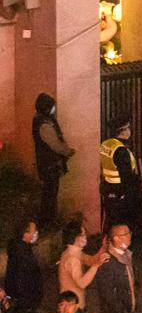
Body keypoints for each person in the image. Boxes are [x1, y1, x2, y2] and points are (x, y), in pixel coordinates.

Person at [0, 219, 42, 313]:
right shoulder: (22, 254)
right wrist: (27, 303)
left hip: (23, 304)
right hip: (25, 305)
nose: (36, 233)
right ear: (25, 234)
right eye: (34, 230)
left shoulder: (21, 249)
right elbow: (21, 280)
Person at [98, 223, 138, 313]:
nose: (129, 236)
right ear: (115, 238)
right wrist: (122, 312)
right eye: (125, 234)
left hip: (128, 310)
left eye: (129, 232)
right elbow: (107, 294)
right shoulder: (107, 262)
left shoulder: (127, 254)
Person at [33, 94, 74, 226]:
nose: (54, 109)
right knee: (50, 194)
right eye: (51, 106)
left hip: (47, 164)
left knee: (49, 192)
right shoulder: (45, 124)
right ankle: (48, 221)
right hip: (50, 165)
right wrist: (67, 151)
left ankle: (47, 220)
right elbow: (55, 144)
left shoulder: (41, 120)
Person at [57, 218, 106, 309]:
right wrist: (96, 265)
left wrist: (103, 248)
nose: (85, 237)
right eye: (83, 235)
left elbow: (90, 260)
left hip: (73, 300)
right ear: (76, 238)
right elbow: (81, 283)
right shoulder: (72, 258)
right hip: (73, 305)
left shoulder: (73, 252)